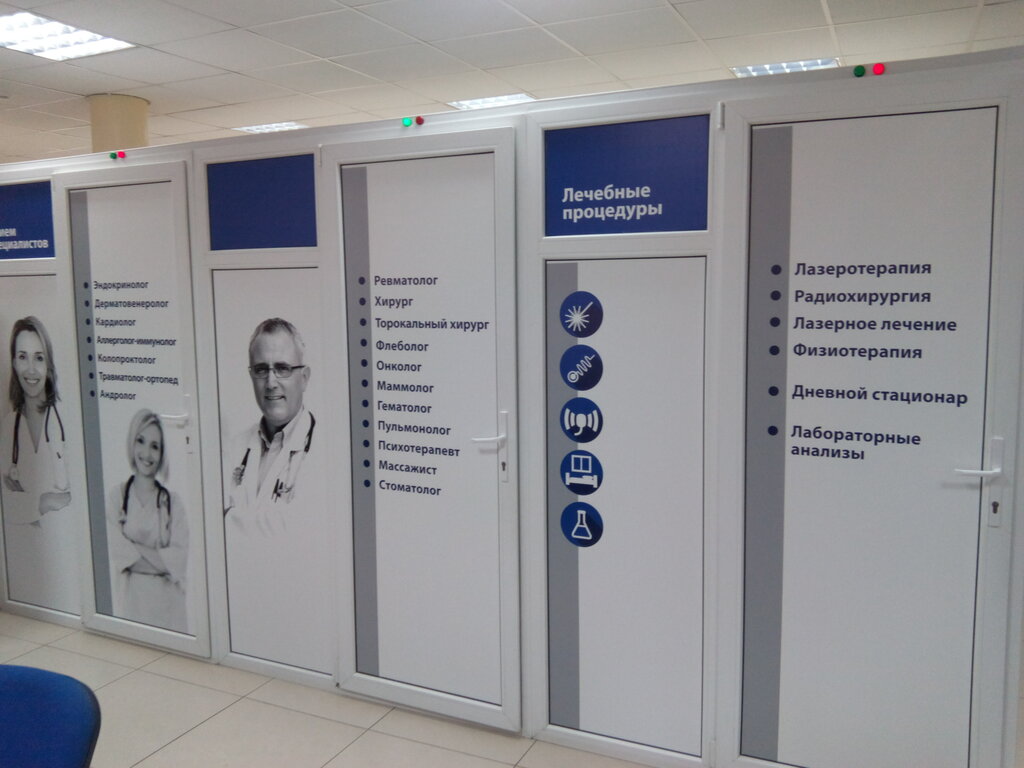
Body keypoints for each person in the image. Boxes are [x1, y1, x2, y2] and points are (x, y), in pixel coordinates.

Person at [223, 317, 331, 671]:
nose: (271, 382)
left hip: (300, 608)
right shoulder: (234, 446)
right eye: (261, 370)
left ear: (305, 376)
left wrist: (229, 518)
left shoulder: (328, 448)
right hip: (240, 607)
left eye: (283, 368)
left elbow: (296, 531)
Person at [0, 316, 79, 613]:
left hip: (71, 550)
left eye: (39, 358)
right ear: (13, 362)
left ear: (49, 365)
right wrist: (44, 502)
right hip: (28, 556)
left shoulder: (66, 418)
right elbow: (6, 504)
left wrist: (26, 501)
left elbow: (79, 497)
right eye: (22, 357)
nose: (30, 369)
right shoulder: (9, 425)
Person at [106, 410, 188, 633]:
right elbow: (117, 554)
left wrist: (133, 548)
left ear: (162, 453)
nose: (146, 453)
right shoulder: (116, 498)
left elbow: (180, 562)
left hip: (170, 612)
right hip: (131, 605)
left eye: (155, 446)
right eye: (140, 441)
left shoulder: (173, 503)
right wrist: (163, 563)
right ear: (131, 443)